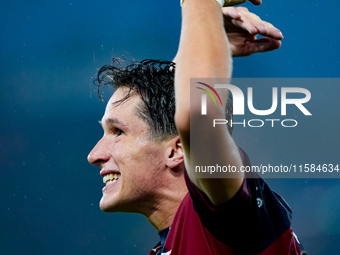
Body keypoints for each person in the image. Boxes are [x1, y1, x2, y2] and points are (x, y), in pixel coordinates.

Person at [87, 0, 306, 254]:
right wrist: (208, 39)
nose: (94, 155)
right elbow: (170, 101)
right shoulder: (178, 241)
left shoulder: (227, 217)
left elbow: (194, 116)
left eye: (118, 132)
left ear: (177, 149)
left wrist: (202, 4)